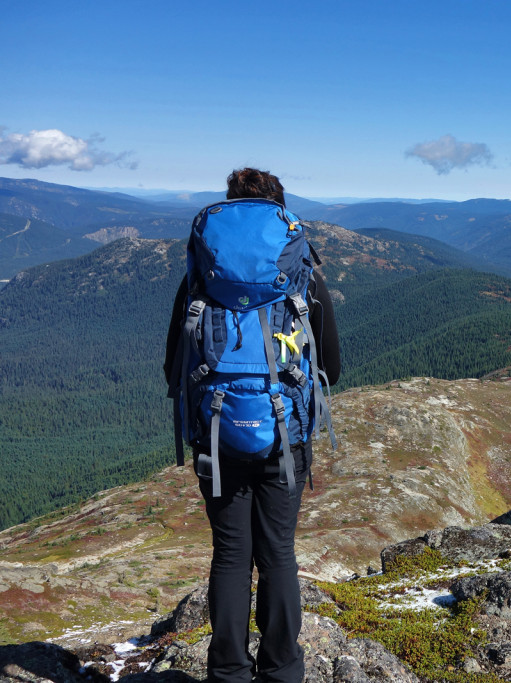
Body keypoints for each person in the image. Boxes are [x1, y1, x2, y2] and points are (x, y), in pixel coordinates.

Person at [164, 168, 341, 683]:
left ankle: (228, 673)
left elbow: (172, 366)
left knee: (231, 555)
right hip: (285, 433)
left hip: (217, 434)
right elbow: (331, 364)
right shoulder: (301, 276)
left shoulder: (200, 279)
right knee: (277, 552)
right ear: (278, 211)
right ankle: (283, 671)